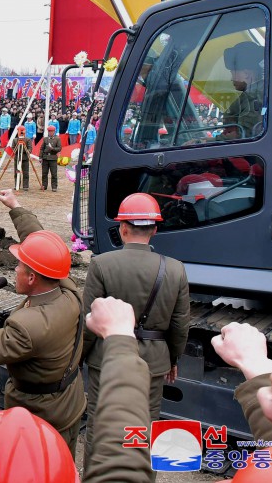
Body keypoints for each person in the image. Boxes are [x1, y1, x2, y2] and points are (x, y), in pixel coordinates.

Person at [0, 189, 85, 457]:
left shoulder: (27, 325)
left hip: (41, 416)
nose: (14, 269)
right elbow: (41, 245)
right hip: (69, 403)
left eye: (18, 266)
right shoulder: (68, 289)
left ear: (31, 279)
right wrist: (16, 207)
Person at [80, 192, 190, 472]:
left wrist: (80, 355)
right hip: (153, 362)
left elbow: (89, 320)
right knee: (146, 426)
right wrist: (173, 360)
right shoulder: (176, 269)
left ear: (122, 228)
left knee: (99, 422)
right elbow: (180, 325)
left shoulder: (101, 265)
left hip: (107, 358)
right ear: (154, 230)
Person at [222, 40, 266, 140]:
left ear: (246, 74)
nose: (231, 78)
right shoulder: (260, 93)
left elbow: (242, 136)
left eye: (233, 73)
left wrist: (204, 141)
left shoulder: (254, 97)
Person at [40, 125, 62, 191]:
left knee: (54, 173)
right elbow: (41, 148)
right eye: (49, 131)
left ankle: (54, 187)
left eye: (51, 131)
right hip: (45, 158)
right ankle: (44, 185)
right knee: (44, 173)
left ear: (54, 131)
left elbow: (59, 148)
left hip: (53, 158)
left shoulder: (57, 139)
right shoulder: (45, 139)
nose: (50, 133)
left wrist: (53, 149)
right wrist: (40, 157)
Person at [10, 126, 31, 191]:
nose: (21, 132)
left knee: (26, 172)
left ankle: (25, 186)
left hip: (25, 159)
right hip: (17, 158)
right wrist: (17, 150)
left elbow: (30, 149)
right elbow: (13, 148)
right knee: (16, 172)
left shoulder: (27, 140)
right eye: (20, 131)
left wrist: (24, 150)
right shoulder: (15, 140)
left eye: (22, 131)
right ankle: (17, 185)